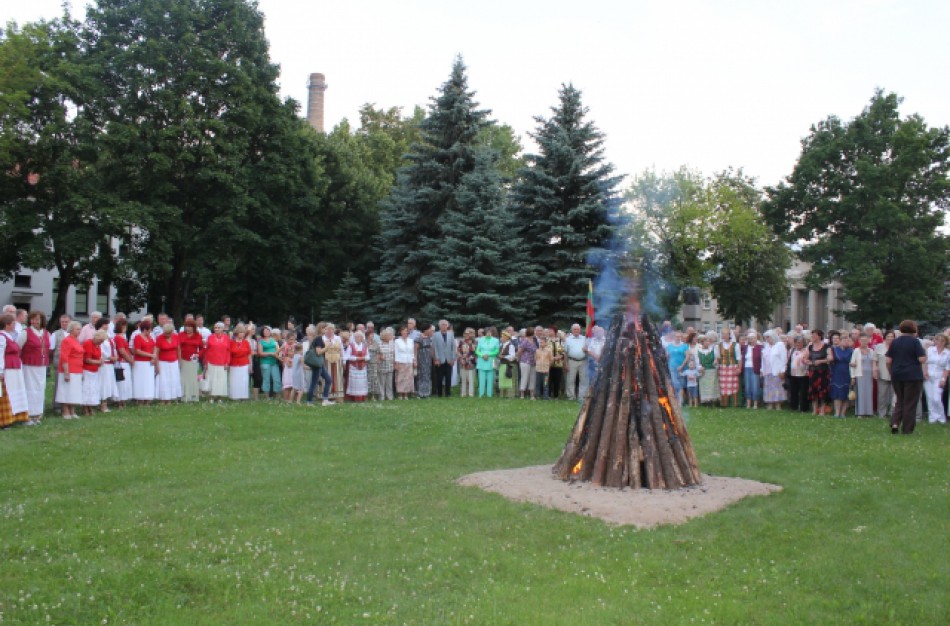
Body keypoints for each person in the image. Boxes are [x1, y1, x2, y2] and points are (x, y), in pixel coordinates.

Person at [887, 320, 926, 434]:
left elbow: (888, 360)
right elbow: (921, 359)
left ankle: (895, 423)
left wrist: (891, 372)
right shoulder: (915, 341)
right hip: (912, 375)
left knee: (900, 400)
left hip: (897, 375)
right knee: (910, 402)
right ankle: (907, 429)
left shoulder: (895, 342)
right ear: (913, 329)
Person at [19, 311, 53, 424]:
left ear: (42, 320)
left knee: (40, 389)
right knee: (29, 389)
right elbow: (17, 348)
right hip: (28, 366)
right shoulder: (25, 333)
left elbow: (49, 349)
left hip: (42, 366)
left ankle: (37, 414)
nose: (35, 321)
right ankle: (27, 415)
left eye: (37, 319)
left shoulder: (46, 333)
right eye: (32, 319)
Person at [0, 313, 30, 427]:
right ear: (7, 324)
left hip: (15, 368)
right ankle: (5, 420)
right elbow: (0, 354)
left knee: (16, 392)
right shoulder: (2, 337)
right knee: (8, 392)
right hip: (8, 369)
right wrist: (1, 370)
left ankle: (17, 416)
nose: (14, 325)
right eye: (13, 323)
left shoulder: (9, 336)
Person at [305, 324, 335, 406]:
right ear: (321, 329)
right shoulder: (318, 338)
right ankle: (309, 402)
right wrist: (327, 347)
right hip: (317, 364)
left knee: (328, 380)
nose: (326, 330)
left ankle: (325, 400)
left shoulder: (319, 338)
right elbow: (318, 352)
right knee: (314, 383)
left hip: (320, 363)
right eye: (325, 329)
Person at [923, 333, 949, 424]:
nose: (939, 343)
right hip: (928, 376)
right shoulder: (930, 350)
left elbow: (947, 368)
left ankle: (941, 417)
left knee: (936, 398)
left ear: (945, 342)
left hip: (939, 376)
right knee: (929, 398)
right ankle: (932, 418)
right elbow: (925, 362)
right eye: (938, 340)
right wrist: (925, 372)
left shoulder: (947, 353)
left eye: (942, 341)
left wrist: (943, 379)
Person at [804, 329, 831, 416]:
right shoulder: (810, 346)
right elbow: (805, 358)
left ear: (819, 336)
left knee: (823, 391)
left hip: (823, 372)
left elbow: (830, 358)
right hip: (812, 372)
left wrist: (821, 361)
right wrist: (807, 362)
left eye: (814, 335)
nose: (812, 336)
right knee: (813, 390)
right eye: (812, 335)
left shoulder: (826, 346)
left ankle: (822, 410)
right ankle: (814, 410)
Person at [81, 330, 107, 415]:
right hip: (87, 370)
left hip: (95, 370)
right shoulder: (88, 343)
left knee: (93, 389)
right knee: (87, 389)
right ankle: (85, 408)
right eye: (101, 340)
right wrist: (98, 362)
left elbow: (98, 356)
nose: (101, 343)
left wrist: (100, 361)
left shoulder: (98, 345)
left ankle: (90, 406)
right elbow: (87, 359)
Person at [155, 323, 182, 404]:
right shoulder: (159, 338)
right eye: (165, 333)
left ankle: (170, 398)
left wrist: (179, 361)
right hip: (163, 363)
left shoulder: (176, 336)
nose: (166, 335)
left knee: (173, 380)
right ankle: (163, 399)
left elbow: (178, 349)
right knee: (164, 381)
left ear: (172, 332)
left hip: (174, 362)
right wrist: (157, 366)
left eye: (168, 333)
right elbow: (156, 353)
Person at [95, 318, 119, 412]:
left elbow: (113, 348)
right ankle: (102, 404)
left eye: (107, 325)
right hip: (104, 363)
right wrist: (109, 357)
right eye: (105, 324)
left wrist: (115, 356)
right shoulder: (98, 335)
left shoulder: (109, 336)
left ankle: (106, 402)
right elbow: (100, 350)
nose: (107, 326)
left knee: (109, 383)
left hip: (110, 364)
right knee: (103, 383)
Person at [132, 320, 157, 405]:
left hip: (149, 363)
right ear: (145, 329)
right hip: (140, 363)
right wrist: (150, 355)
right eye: (150, 329)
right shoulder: (138, 337)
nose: (151, 331)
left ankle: (147, 399)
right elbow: (137, 351)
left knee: (148, 381)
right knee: (140, 381)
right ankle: (139, 399)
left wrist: (153, 356)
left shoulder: (150, 338)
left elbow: (154, 347)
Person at [850, 333, 876, 417]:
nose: (864, 342)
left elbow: (874, 362)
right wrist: (853, 377)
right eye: (862, 340)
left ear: (868, 341)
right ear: (859, 341)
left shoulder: (871, 351)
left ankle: (869, 412)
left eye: (865, 340)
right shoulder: (856, 350)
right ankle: (860, 412)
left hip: (869, 375)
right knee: (860, 393)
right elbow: (852, 364)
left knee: (869, 393)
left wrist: (874, 372)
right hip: (860, 375)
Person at [204, 322, 231, 402]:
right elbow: (207, 351)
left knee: (221, 381)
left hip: (222, 362)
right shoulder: (210, 337)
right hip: (211, 361)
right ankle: (211, 397)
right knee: (212, 380)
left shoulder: (226, 338)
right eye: (215, 328)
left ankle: (219, 397)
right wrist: (206, 363)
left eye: (219, 328)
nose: (216, 329)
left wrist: (227, 362)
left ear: (223, 329)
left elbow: (228, 351)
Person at [761, 330, 787, 410]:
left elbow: (784, 359)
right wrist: (762, 370)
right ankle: (770, 404)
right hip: (767, 371)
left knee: (777, 388)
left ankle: (778, 404)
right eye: (766, 338)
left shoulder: (780, 345)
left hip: (777, 370)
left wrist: (783, 370)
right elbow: (763, 359)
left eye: (768, 337)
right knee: (769, 388)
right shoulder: (766, 346)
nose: (767, 339)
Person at [829, 331, 853, 417]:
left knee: (846, 393)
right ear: (840, 341)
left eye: (847, 340)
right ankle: (837, 412)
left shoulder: (851, 351)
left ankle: (843, 413)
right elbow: (830, 360)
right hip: (837, 372)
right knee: (837, 393)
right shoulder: (834, 350)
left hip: (847, 372)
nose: (846, 342)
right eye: (844, 340)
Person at [178, 320, 203, 402]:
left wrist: (198, 354)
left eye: (189, 327)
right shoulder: (180, 335)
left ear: (193, 327)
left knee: (193, 378)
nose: (187, 328)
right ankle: (184, 396)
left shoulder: (198, 336)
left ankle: (193, 396)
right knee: (184, 378)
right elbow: (177, 348)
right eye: (186, 326)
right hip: (183, 360)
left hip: (193, 361)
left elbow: (202, 349)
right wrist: (179, 359)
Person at [51, 314, 71, 414]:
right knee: (59, 384)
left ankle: (68, 404)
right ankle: (57, 406)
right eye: (62, 322)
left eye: (66, 322)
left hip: (72, 363)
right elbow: (51, 349)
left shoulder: (74, 333)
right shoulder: (56, 334)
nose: (64, 324)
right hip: (59, 362)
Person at [873, 330, 895, 420]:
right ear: (885, 337)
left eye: (892, 336)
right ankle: (882, 413)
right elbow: (875, 359)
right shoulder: (879, 347)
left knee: (894, 395)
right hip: (882, 373)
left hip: (894, 374)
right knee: (882, 395)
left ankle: (892, 412)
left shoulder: (896, 346)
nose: (890, 338)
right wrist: (874, 369)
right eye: (888, 336)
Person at [717, 327, 741, 408]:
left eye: (725, 334)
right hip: (723, 367)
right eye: (722, 334)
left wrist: (739, 368)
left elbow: (739, 358)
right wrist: (717, 365)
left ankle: (735, 403)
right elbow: (718, 358)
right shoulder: (719, 345)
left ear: (729, 335)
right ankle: (724, 404)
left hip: (732, 367)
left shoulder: (735, 345)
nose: (724, 336)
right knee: (723, 386)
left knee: (734, 385)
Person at [563, 324, 588, 401]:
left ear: (580, 330)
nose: (576, 331)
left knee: (583, 380)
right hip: (572, 361)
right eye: (574, 329)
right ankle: (571, 396)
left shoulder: (585, 339)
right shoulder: (567, 339)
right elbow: (565, 353)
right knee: (570, 379)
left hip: (583, 361)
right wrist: (566, 364)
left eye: (577, 329)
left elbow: (588, 350)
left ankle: (582, 397)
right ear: (572, 330)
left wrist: (586, 350)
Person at [113, 317, 134, 407]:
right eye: (124, 327)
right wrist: (130, 360)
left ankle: (123, 400)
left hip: (125, 362)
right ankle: (120, 401)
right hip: (121, 362)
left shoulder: (123, 337)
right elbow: (122, 351)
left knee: (126, 382)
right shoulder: (118, 337)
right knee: (121, 382)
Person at [431, 319, 455, 397]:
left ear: (447, 326)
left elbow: (453, 347)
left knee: (448, 377)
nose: (444, 326)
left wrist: (453, 358)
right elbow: (434, 348)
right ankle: (440, 393)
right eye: (442, 325)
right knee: (439, 378)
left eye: (445, 325)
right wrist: (436, 359)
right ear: (439, 326)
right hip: (439, 360)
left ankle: (448, 393)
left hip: (448, 359)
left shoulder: (451, 334)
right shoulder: (435, 335)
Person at [787, 335, 811, 413]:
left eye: (800, 342)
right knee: (793, 391)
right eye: (797, 342)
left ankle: (803, 407)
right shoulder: (792, 350)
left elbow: (806, 360)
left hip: (803, 374)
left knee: (803, 391)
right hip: (793, 374)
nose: (798, 344)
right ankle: (794, 406)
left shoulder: (806, 350)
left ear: (803, 343)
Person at [228, 324, 252, 401]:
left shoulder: (246, 342)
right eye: (240, 332)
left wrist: (250, 365)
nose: (242, 334)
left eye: (243, 332)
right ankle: (234, 396)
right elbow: (229, 354)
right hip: (233, 363)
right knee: (234, 380)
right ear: (236, 333)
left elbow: (249, 354)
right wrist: (228, 364)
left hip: (244, 363)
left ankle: (243, 396)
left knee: (243, 380)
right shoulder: (231, 342)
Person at [256, 326, 280, 400]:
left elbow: (278, 350)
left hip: (274, 362)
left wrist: (279, 356)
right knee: (266, 379)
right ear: (262, 333)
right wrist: (270, 353)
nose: (266, 332)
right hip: (265, 362)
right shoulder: (260, 342)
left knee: (277, 379)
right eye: (265, 331)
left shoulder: (273, 340)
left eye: (268, 331)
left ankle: (277, 396)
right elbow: (260, 353)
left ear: (270, 332)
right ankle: (267, 396)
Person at [475, 326, 500, 398]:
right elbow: (477, 350)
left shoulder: (496, 340)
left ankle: (489, 394)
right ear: (485, 333)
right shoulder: (480, 340)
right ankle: (481, 394)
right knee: (481, 378)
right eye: (487, 332)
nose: (489, 333)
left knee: (490, 378)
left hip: (491, 360)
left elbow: (497, 350)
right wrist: (482, 355)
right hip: (482, 360)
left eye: (490, 332)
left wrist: (488, 354)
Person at [345, 330, 369, 402]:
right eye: (356, 337)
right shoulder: (351, 346)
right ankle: (354, 397)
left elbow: (368, 356)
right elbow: (347, 356)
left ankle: (362, 397)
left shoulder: (364, 346)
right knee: (354, 383)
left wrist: (364, 358)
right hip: (354, 367)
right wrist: (356, 358)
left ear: (362, 338)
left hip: (363, 367)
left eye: (359, 337)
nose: (358, 338)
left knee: (361, 383)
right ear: (354, 338)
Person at [741, 331, 763, 409]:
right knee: (747, 386)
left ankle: (755, 404)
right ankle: (748, 403)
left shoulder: (760, 347)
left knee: (755, 386)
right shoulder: (745, 347)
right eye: (750, 339)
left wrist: (762, 370)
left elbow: (762, 360)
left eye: (753, 338)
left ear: (756, 339)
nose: (752, 340)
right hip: (746, 368)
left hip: (755, 368)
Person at [697, 332, 719, 406]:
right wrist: (700, 367)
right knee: (705, 387)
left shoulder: (713, 349)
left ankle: (713, 401)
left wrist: (716, 362)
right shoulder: (699, 351)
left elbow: (717, 358)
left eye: (708, 341)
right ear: (702, 342)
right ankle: (706, 402)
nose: (708, 343)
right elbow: (697, 361)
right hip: (704, 371)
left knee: (712, 387)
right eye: (706, 341)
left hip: (712, 370)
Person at [394, 326, 415, 400]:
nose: (405, 332)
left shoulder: (411, 340)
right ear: (401, 332)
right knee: (400, 378)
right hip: (401, 361)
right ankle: (400, 394)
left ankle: (406, 394)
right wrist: (396, 363)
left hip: (409, 361)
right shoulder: (397, 341)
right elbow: (396, 352)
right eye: (403, 331)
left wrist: (413, 360)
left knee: (408, 378)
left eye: (406, 331)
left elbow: (412, 352)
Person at [516, 327, 538, 399]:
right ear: (531, 332)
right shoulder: (525, 340)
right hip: (525, 361)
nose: (535, 332)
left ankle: (532, 395)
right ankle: (522, 394)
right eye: (534, 331)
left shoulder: (534, 340)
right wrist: (518, 358)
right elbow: (519, 351)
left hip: (533, 362)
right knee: (524, 377)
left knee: (532, 378)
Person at [415, 324, 435, 399]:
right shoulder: (419, 338)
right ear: (425, 330)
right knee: (421, 376)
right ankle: (420, 393)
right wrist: (415, 360)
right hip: (421, 359)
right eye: (430, 329)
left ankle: (427, 393)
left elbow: (431, 350)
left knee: (427, 376)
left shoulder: (430, 338)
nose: (431, 331)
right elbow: (415, 350)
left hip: (428, 360)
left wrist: (433, 358)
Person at [376, 327, 396, 401]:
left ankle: (389, 396)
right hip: (381, 366)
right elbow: (376, 355)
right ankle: (381, 397)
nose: (390, 337)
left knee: (389, 383)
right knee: (381, 382)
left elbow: (394, 354)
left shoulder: (392, 343)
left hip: (390, 365)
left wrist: (394, 363)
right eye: (389, 335)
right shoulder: (379, 344)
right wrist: (380, 357)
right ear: (384, 336)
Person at [457, 328, 477, 398]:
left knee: (471, 380)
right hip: (462, 363)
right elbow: (458, 351)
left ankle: (471, 394)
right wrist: (461, 359)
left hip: (471, 363)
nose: (466, 335)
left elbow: (475, 353)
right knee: (463, 379)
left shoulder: (474, 342)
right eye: (465, 334)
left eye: (468, 334)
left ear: (470, 334)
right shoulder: (461, 342)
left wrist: (467, 359)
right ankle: (463, 393)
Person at [498, 330, 518, 398]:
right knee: (503, 379)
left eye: (502, 337)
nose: (501, 338)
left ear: (506, 338)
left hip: (509, 365)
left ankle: (510, 395)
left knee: (509, 379)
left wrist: (503, 356)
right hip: (502, 364)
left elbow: (512, 356)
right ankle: (503, 394)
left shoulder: (511, 345)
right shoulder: (502, 345)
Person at [365, 322, 382, 401]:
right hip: (366, 364)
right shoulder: (364, 343)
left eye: (373, 335)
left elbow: (379, 352)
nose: (372, 336)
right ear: (367, 336)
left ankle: (373, 395)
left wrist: (377, 360)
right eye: (371, 335)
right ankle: (365, 394)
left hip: (374, 363)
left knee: (374, 379)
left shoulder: (376, 343)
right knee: (366, 378)